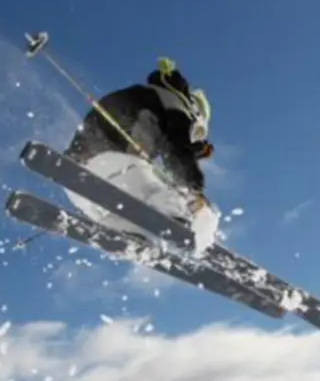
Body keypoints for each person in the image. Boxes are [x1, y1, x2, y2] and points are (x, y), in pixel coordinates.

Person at [65, 57, 219, 247]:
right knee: (172, 194)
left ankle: (127, 231)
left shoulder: (150, 97)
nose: (193, 135)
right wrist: (194, 190)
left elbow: (171, 146)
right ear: (196, 111)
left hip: (80, 178)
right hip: (113, 164)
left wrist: (194, 153)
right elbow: (177, 149)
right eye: (198, 131)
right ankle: (174, 221)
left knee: (138, 205)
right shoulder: (176, 106)